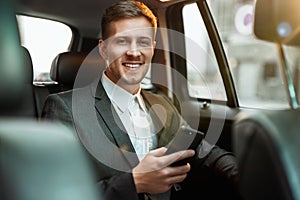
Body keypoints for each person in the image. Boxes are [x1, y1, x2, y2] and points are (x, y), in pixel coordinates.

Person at [42, 1, 240, 199]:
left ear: (152, 48)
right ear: (103, 49)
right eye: (122, 41)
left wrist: (245, 175)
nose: (134, 52)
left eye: (143, 42)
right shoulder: (64, 108)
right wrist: (135, 182)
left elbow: (202, 149)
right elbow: (56, 192)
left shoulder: (161, 103)